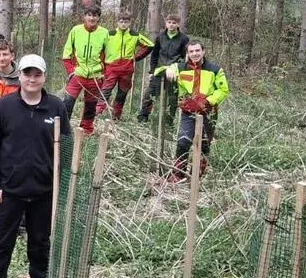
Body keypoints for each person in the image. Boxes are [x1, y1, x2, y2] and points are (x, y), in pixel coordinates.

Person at [0, 54, 69, 278]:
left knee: (40, 244)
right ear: (20, 76)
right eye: (27, 73)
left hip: (44, 191)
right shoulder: (4, 106)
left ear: (44, 77)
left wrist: (61, 186)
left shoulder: (55, 107)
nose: (32, 79)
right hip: (9, 191)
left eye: (37, 74)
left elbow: (66, 147)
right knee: (1, 244)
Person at [159, 41, 229, 181]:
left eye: (197, 50)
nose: (195, 54)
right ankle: (178, 174)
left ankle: (197, 177)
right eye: (191, 51)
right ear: (187, 53)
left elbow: (223, 90)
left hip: (208, 112)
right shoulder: (180, 68)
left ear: (203, 51)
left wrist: (208, 101)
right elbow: (158, 71)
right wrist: (167, 70)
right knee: (183, 142)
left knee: (204, 144)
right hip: (188, 112)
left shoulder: (215, 70)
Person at [61, 3, 109, 134]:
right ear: (84, 16)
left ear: (98, 18)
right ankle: (63, 130)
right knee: (67, 102)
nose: (92, 18)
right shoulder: (75, 31)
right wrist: (71, 71)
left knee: (90, 105)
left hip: (95, 76)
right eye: (89, 15)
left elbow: (109, 57)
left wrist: (104, 74)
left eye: (95, 15)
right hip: (77, 74)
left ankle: (86, 130)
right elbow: (66, 54)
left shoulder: (104, 33)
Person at [97, 11, 153, 121]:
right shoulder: (109, 34)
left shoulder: (134, 35)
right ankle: (97, 114)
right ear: (117, 22)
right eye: (121, 21)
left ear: (130, 23)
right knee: (106, 90)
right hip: (111, 67)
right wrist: (101, 64)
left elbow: (150, 45)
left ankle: (116, 117)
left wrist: (136, 57)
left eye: (126, 22)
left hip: (126, 69)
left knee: (122, 93)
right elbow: (100, 48)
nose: (123, 24)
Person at [137, 13, 190, 123]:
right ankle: (143, 117)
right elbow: (155, 55)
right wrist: (152, 71)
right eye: (169, 22)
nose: (171, 25)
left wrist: (178, 70)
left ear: (178, 24)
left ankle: (168, 122)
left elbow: (185, 58)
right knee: (149, 95)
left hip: (174, 73)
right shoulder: (160, 37)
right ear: (166, 23)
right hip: (159, 70)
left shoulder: (184, 39)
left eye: (174, 23)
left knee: (172, 99)